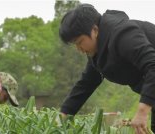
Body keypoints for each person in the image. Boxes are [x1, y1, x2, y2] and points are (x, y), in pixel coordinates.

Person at [59, 4, 155, 133]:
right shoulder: (98, 52)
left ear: (95, 30)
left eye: (79, 41)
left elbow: (152, 65)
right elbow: (87, 83)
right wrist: (63, 115)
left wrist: (142, 111)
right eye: (74, 44)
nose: (79, 49)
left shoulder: (123, 35)